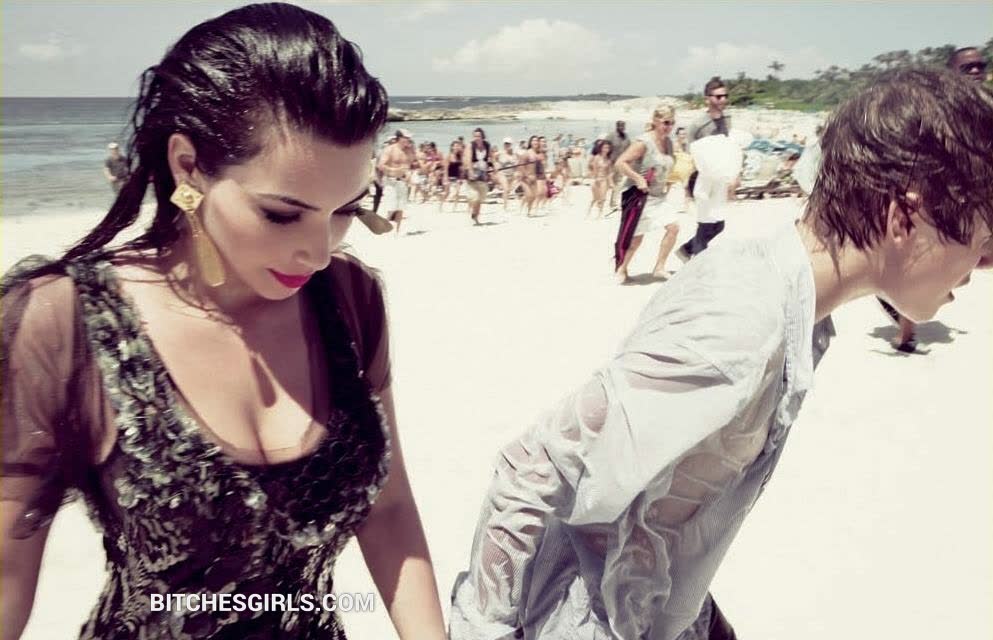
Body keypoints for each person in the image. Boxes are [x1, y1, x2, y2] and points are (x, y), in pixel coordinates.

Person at [450, 68, 993, 639]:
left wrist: (702, 622)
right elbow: (532, 468)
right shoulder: (744, 323)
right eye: (985, 239)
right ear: (904, 217)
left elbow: (671, 499)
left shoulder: (794, 308)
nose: (985, 264)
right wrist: (480, 630)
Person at [0, 5, 446, 639]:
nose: (318, 253)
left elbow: (390, 508)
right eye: (282, 214)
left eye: (345, 210)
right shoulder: (68, 321)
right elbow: (6, 573)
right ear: (188, 166)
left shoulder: (350, 300)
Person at [612, 106, 681, 283]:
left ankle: (659, 268)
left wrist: (670, 179)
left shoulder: (668, 142)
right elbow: (620, 163)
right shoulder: (643, 142)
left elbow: (667, 165)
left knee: (673, 227)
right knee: (636, 238)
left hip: (658, 195)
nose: (669, 127)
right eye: (666, 122)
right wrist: (638, 178)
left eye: (672, 123)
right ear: (655, 121)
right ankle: (622, 269)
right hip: (640, 197)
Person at [677, 77, 732, 261]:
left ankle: (687, 249)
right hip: (701, 178)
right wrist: (687, 185)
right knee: (705, 223)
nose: (723, 100)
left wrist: (733, 175)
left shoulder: (727, 120)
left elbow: (728, 149)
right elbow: (689, 153)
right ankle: (698, 265)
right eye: (718, 96)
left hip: (720, 179)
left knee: (719, 225)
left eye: (725, 96)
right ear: (707, 98)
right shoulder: (698, 124)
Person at [377, 129, 415, 236]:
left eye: (409, 138)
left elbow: (410, 164)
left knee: (401, 207)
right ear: (400, 138)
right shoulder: (390, 149)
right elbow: (381, 165)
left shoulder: (409, 150)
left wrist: (409, 174)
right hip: (391, 181)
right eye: (406, 138)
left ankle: (397, 231)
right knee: (390, 206)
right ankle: (383, 229)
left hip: (403, 181)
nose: (409, 140)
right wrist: (394, 170)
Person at [464, 127, 492, 225]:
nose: (477, 138)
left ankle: (476, 216)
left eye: (479, 136)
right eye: (475, 136)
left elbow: (490, 158)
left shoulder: (487, 145)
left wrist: (491, 169)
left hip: (483, 172)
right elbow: (468, 160)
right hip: (473, 172)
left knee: (481, 198)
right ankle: (473, 211)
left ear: (482, 136)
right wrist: (471, 172)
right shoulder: (470, 146)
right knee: (474, 197)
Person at [604, 120, 631, 210]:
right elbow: (603, 148)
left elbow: (629, 149)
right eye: (620, 126)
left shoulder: (626, 137)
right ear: (617, 126)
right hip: (610, 163)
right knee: (607, 183)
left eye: (623, 126)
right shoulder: (610, 136)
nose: (622, 128)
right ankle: (601, 201)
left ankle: (613, 203)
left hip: (620, 164)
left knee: (618, 183)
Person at [587, 140, 613, 218]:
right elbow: (594, 169)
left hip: (604, 180)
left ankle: (599, 214)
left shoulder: (608, 159)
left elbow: (609, 172)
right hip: (596, 179)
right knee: (595, 198)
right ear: (601, 148)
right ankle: (589, 212)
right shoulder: (596, 158)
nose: (606, 149)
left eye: (608, 148)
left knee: (603, 198)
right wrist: (595, 179)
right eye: (604, 147)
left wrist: (611, 183)